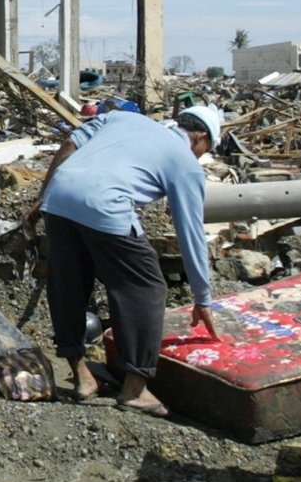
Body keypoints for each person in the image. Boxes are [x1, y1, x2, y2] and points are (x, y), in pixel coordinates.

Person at [24, 104, 224, 418]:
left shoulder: (123, 118)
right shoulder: (185, 162)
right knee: (145, 287)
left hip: (60, 197)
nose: (201, 156)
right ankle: (134, 389)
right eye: (206, 149)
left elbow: (70, 144)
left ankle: (82, 377)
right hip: (106, 204)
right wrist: (203, 298)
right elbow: (191, 232)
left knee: (68, 282)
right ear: (200, 138)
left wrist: (43, 197)